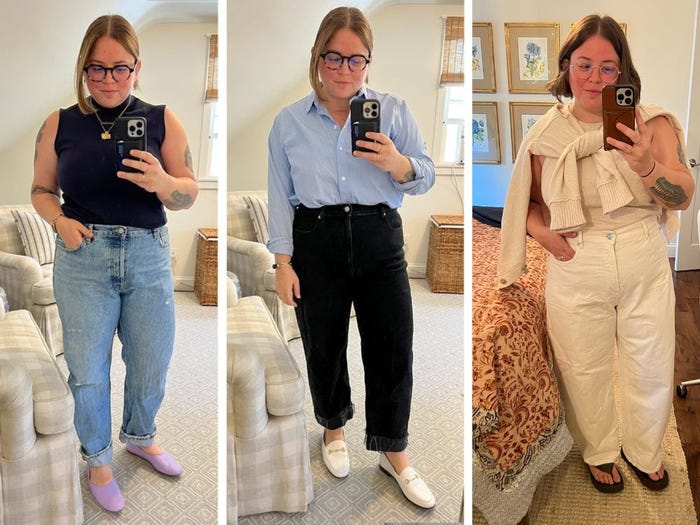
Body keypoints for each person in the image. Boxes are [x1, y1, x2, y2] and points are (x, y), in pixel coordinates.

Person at [499, 14, 694, 494]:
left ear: (623, 73)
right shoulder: (544, 136)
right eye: (584, 64)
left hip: (642, 251)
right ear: (566, 67)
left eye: (608, 68)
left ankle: (645, 449)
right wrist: (544, 236)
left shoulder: (655, 123)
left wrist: (646, 164)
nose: (594, 78)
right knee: (582, 366)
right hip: (577, 258)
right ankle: (599, 450)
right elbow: (524, 206)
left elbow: (683, 195)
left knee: (651, 360)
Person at [267, 6, 436, 509]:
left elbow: (425, 173)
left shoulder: (394, 110)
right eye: (333, 57)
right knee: (324, 342)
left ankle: (393, 449)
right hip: (314, 238)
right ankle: (333, 428)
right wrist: (282, 262)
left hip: (379, 233)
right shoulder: (289, 121)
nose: (344, 69)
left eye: (355, 59)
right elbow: (280, 194)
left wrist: (398, 163)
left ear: (368, 62)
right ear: (318, 58)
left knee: (392, 344)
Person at [32, 14, 198, 512]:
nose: (108, 79)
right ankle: (99, 458)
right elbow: (41, 191)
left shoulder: (162, 118)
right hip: (82, 255)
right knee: (87, 369)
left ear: (137, 67)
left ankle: (140, 436)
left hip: (147, 254)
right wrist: (58, 220)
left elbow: (188, 189)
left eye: (119, 68)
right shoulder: (58, 123)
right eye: (96, 68)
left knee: (152, 360)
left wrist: (164, 185)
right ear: (83, 68)